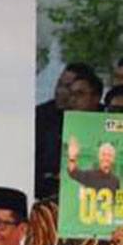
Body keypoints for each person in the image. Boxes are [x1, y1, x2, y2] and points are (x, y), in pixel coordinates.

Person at [34, 62, 94, 199]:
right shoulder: (42, 116)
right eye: (59, 84)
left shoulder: (99, 118)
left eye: (67, 86)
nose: (59, 91)